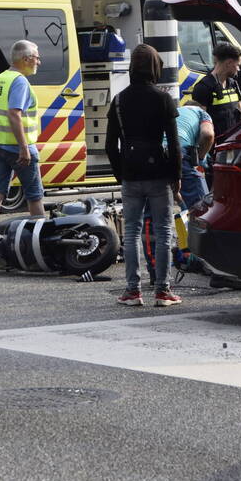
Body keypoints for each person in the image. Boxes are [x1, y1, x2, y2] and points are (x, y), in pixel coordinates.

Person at [105, 44, 183, 307]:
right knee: (162, 230)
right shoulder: (163, 98)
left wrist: (120, 173)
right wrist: (176, 175)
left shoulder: (119, 100)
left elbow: (109, 145)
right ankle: (163, 291)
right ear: (155, 66)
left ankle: (132, 291)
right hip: (159, 174)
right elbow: (174, 143)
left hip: (131, 174)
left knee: (131, 231)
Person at [0, 40, 46, 234]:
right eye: (36, 57)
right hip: (16, 146)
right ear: (26, 59)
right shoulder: (20, 81)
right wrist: (24, 147)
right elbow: (14, 113)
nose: (39, 62)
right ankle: (39, 240)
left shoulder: (0, 78)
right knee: (34, 195)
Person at [190, 42, 241, 140]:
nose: (239, 69)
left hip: (231, 144)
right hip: (214, 148)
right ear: (229, 63)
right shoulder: (203, 87)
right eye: (238, 65)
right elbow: (201, 126)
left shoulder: (233, 84)